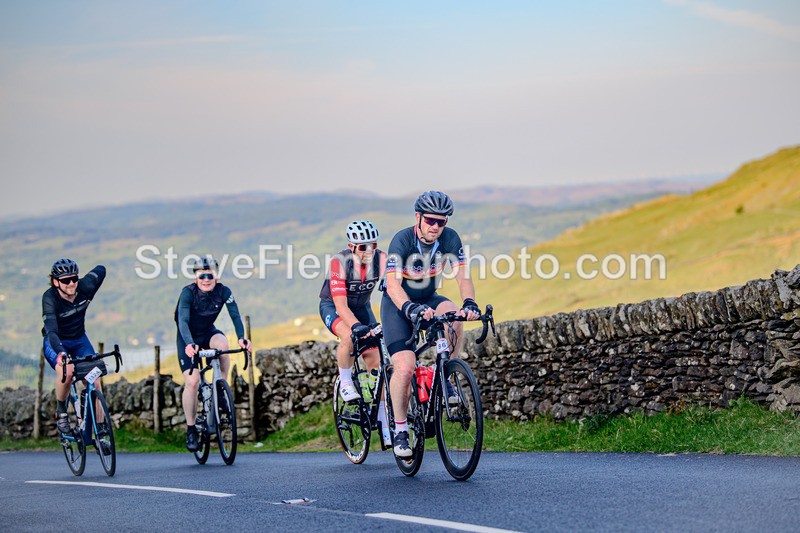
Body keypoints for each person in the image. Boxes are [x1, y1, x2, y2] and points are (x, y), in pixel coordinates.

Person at [381, 191, 481, 458]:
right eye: (431, 220)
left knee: (454, 315)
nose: (436, 226)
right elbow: (392, 285)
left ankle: (446, 375)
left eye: (442, 221)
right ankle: (400, 429)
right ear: (418, 217)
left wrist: (469, 302)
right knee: (405, 366)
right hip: (398, 304)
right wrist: (409, 308)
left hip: (428, 297)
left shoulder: (450, 238)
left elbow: (463, 276)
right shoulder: (402, 240)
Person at [175, 256, 251, 452]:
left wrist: (242, 338)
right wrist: (190, 344)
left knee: (223, 345)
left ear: (216, 277)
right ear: (195, 278)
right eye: (202, 276)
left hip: (208, 332)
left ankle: (220, 386)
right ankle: (191, 429)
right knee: (192, 382)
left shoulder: (223, 291)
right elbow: (182, 321)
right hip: (188, 337)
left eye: (211, 275)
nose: (207, 279)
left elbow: (235, 314)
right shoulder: (188, 293)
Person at [319, 220, 387, 402]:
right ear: (351, 246)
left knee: (377, 358)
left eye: (373, 245)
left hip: (362, 307)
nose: (369, 251)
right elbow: (341, 306)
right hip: (332, 306)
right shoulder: (339, 263)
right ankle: (346, 383)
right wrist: (356, 326)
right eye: (363, 247)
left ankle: (381, 418)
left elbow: (396, 286)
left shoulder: (382, 259)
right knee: (349, 336)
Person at [41, 258, 107, 435]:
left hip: (79, 340)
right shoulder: (50, 298)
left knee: (95, 380)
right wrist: (61, 353)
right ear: (56, 282)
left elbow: (101, 269)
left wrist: (88, 279)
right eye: (65, 280)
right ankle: (61, 411)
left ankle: (101, 431)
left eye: (74, 279)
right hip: (56, 341)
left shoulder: (84, 288)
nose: (71, 284)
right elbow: (52, 331)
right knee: (67, 371)